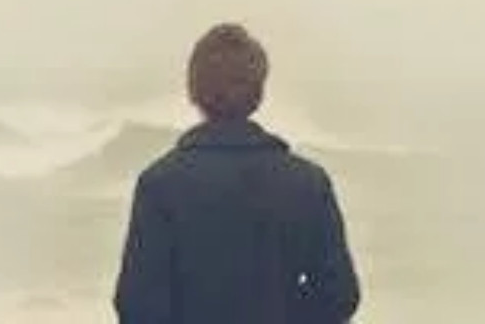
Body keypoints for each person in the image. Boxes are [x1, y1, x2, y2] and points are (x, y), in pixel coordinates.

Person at [114, 23, 361, 324]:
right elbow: (339, 295)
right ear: (259, 93)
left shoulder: (159, 184)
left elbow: (137, 305)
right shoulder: (308, 183)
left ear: (194, 91)